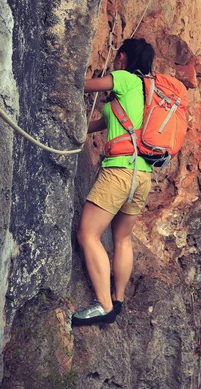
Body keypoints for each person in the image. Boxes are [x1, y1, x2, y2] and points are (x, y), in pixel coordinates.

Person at [72, 38, 155, 326]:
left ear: (122, 57)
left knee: (88, 234)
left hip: (119, 172)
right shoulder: (147, 91)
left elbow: (81, 85)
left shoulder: (123, 78)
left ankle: (104, 306)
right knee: (121, 238)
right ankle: (118, 299)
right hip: (142, 175)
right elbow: (108, 124)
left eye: (118, 57)